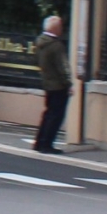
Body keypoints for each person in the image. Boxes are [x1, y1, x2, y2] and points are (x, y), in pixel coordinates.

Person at [33, 14, 73, 153]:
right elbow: (63, 67)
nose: (62, 29)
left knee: (48, 113)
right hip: (58, 85)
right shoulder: (56, 46)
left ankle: (40, 142)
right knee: (56, 116)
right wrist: (69, 83)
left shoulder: (40, 43)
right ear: (56, 29)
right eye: (60, 27)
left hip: (47, 82)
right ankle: (47, 144)